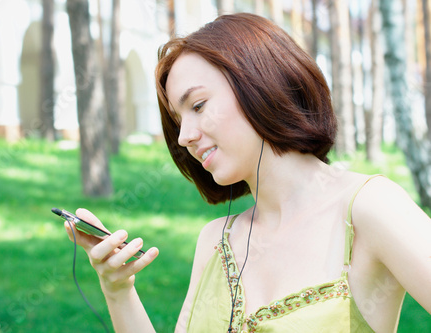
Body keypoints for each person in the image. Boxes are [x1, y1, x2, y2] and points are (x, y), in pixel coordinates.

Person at [65, 13, 431, 332]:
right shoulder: (214, 241)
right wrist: (118, 290)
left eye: (198, 105)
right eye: (178, 120)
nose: (184, 136)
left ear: (260, 82)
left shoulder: (368, 207)